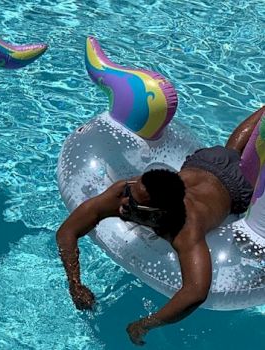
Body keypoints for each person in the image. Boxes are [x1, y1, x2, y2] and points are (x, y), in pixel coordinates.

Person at [56, 106, 264, 346]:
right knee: (230, 152)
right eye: (129, 192)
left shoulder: (187, 230)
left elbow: (195, 293)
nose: (122, 203)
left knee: (243, 157)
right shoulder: (127, 191)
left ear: (158, 214)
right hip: (206, 161)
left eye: (132, 202)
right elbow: (67, 232)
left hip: (234, 188)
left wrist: (147, 324)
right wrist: (75, 282)